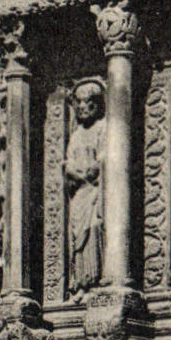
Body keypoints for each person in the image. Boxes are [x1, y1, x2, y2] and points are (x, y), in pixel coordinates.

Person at [64, 80, 105, 295]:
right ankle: (80, 282)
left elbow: (105, 158)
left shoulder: (103, 127)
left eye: (86, 102)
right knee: (77, 236)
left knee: (94, 228)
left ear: (97, 104)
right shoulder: (77, 133)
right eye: (77, 102)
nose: (81, 106)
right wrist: (78, 172)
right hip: (80, 192)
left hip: (96, 191)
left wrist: (93, 169)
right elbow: (69, 162)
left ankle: (96, 280)